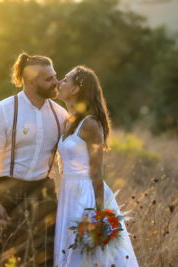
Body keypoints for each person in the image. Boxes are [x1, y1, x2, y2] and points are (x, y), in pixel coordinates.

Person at [0, 52, 68, 266]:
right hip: (7, 194)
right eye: (48, 79)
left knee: (41, 261)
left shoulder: (61, 115)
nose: (56, 82)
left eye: (55, 76)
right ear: (30, 81)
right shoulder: (1, 112)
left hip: (44, 196)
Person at [54, 66, 139, 266]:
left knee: (87, 254)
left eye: (65, 80)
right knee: (68, 249)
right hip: (68, 191)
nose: (60, 82)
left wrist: (99, 214)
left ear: (76, 89)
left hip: (86, 194)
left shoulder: (90, 124)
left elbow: (96, 173)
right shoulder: (69, 121)